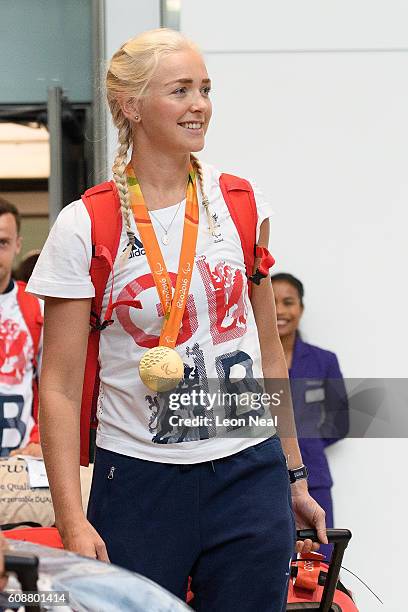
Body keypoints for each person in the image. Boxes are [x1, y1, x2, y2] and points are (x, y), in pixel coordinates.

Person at [27, 29, 326, 611]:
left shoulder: (240, 201)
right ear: (132, 107)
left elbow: (267, 350)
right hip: (138, 480)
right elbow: (58, 389)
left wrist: (293, 473)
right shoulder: (84, 224)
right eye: (181, 90)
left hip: (249, 472)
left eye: (206, 89)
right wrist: (70, 521)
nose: (200, 105)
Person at [271, 272, 349, 560]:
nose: (279, 311)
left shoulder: (323, 360)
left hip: (313, 479)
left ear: (301, 308)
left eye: (288, 302)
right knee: (269, 565)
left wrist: (306, 441)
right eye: (272, 302)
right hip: (261, 478)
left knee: (320, 562)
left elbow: (340, 421)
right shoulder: (246, 360)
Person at [0, 200, 42, 458]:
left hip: (20, 460)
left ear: (17, 245)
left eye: (2, 243)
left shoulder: (36, 306)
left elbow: (56, 386)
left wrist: (40, 442)